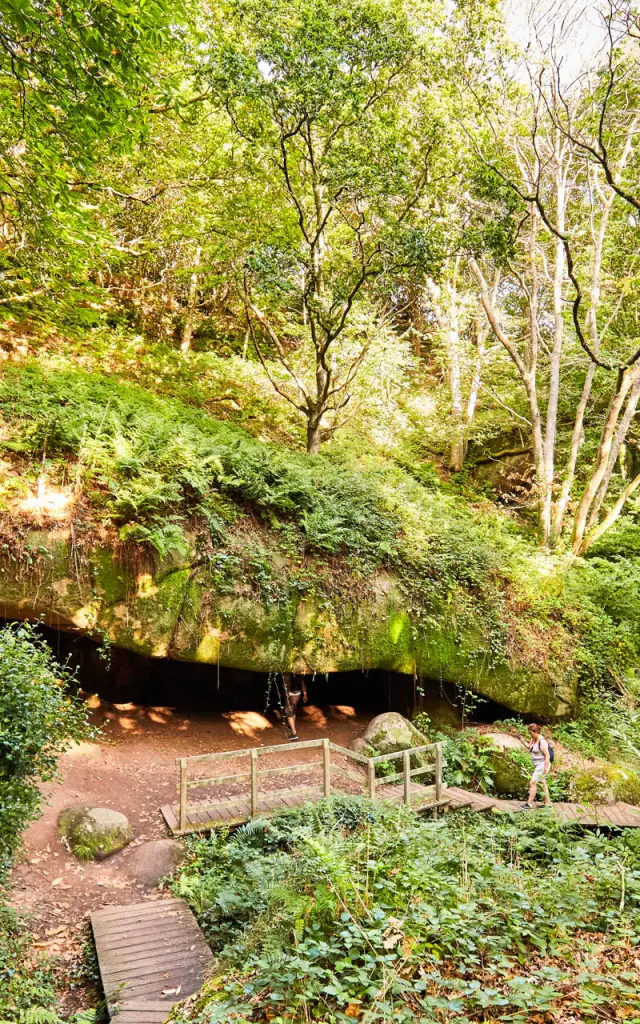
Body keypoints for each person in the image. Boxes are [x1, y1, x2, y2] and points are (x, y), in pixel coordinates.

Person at [522, 723, 551, 808]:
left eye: (530, 732)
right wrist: (523, 741)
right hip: (538, 765)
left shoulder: (542, 742)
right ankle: (548, 804)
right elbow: (529, 747)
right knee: (543, 783)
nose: (529, 734)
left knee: (532, 782)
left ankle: (529, 804)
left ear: (535, 732)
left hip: (542, 765)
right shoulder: (533, 739)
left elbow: (547, 756)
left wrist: (545, 768)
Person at [278, 673, 307, 741]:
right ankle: (291, 726)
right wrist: (305, 694)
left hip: (291, 694)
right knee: (293, 710)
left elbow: (285, 683)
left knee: (288, 712)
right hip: (298, 693)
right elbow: (302, 682)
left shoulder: (287, 673)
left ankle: (294, 733)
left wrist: (287, 693)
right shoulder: (298, 671)